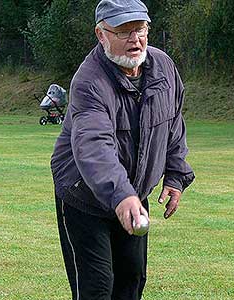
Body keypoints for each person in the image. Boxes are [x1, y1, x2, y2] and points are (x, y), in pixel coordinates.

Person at [50, 0, 195, 299]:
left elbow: (173, 120)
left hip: (132, 193)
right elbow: (94, 146)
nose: (135, 39)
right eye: (123, 31)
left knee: (132, 280)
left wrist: (175, 176)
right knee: (97, 288)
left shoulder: (164, 67)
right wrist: (122, 194)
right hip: (84, 197)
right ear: (101, 34)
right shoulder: (89, 82)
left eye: (140, 29)